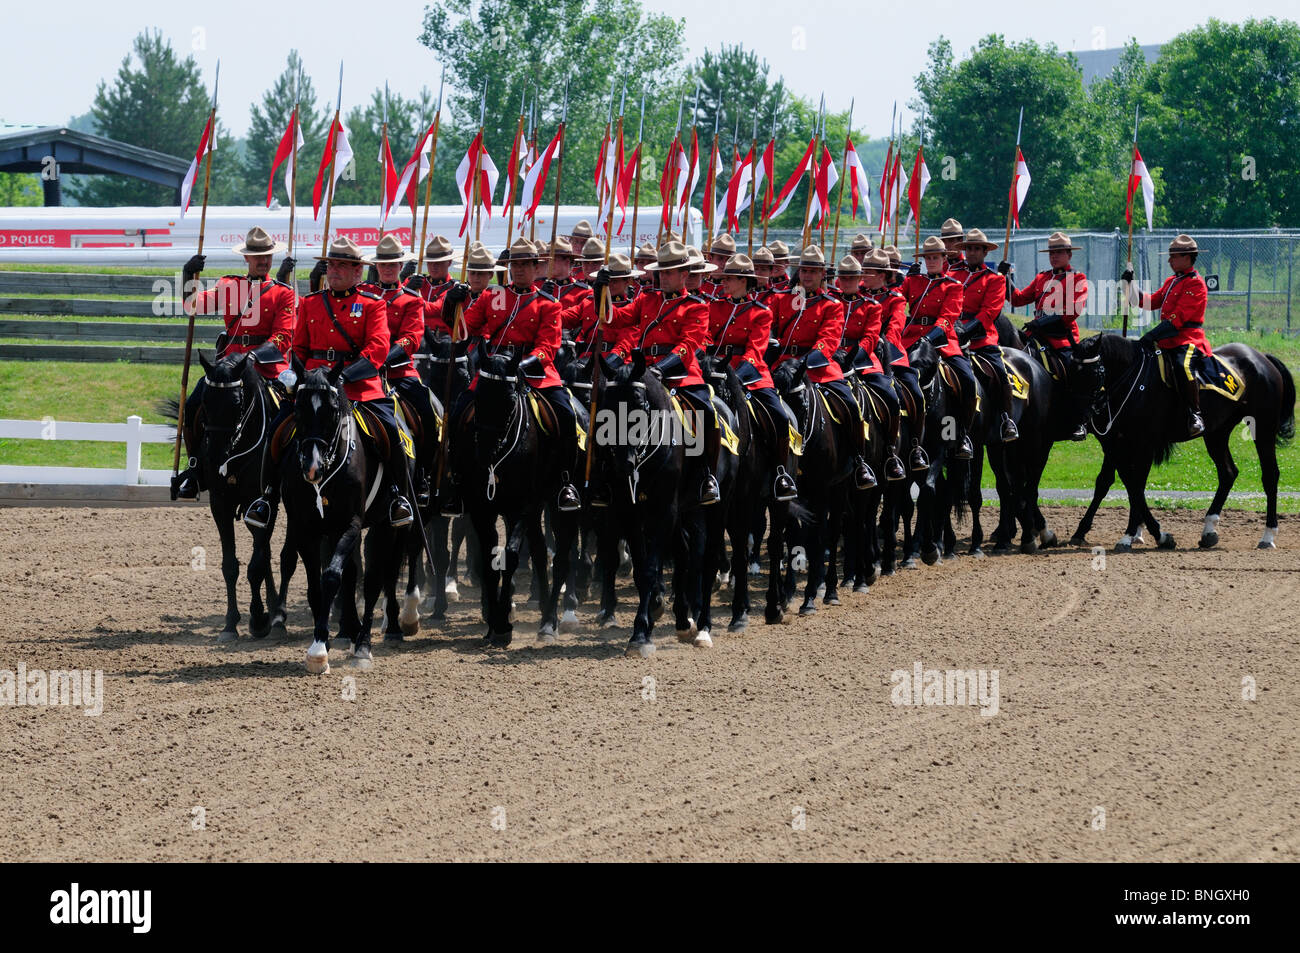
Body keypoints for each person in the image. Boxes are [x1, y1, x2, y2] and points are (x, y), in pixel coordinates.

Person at [245, 236, 414, 530]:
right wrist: (297, 375)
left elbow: (376, 349)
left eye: (342, 266)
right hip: (314, 385)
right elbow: (298, 348)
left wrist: (343, 377)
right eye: (332, 264)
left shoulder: (372, 305)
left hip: (358, 385)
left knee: (391, 430)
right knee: (278, 428)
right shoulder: (310, 303)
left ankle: (399, 496)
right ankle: (268, 497)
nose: (334, 270)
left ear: (358, 272)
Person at [440, 237, 582, 515]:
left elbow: (548, 347)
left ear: (535, 266)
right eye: (514, 265)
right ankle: (457, 483)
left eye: (524, 265)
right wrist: (451, 306)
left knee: (566, 415)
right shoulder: (493, 297)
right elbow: (463, 330)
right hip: (493, 372)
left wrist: (522, 365)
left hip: (534, 373)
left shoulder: (548, 303)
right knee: (457, 415)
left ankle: (565, 482)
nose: (518, 270)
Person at [171, 225, 297, 500]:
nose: (263, 261)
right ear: (246, 259)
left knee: (292, 413)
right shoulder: (229, 285)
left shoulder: (283, 293)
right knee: (193, 405)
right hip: (228, 369)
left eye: (267, 256)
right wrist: (186, 275)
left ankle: (293, 472)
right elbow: (194, 305)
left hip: (266, 368)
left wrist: (251, 358)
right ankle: (194, 469)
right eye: (257, 256)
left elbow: (283, 337)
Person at [605, 240, 721, 504]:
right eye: (661, 271)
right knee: (609, 407)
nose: (663, 277)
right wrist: (601, 292)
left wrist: (660, 369)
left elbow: (687, 346)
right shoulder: (647, 299)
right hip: (643, 373)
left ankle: (707, 476)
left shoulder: (696, 306)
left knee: (706, 412)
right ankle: (605, 475)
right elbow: (617, 318)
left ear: (684, 275)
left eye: (669, 272)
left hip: (680, 375)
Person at [767, 245, 876, 489]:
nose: (806, 275)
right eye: (803, 270)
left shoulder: (831, 305)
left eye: (812, 271)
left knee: (850, 404)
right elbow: (769, 329)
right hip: (783, 366)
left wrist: (807, 362)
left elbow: (829, 339)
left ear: (822, 274)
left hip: (817, 368)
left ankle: (859, 461)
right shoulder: (781, 299)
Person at [706, 254, 799, 499]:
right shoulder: (714, 306)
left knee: (779, 416)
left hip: (750, 375)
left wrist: (735, 376)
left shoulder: (761, 312)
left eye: (730, 278)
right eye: (723, 277)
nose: (723, 281)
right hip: (715, 370)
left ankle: (780, 472)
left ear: (745, 281)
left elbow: (756, 350)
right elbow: (706, 338)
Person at [361, 234, 441, 506]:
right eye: (383, 263)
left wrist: (383, 359)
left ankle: (422, 476)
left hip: (398, 371)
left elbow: (410, 339)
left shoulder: (411, 300)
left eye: (393, 263)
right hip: (364, 372)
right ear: (376, 266)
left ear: (400, 266)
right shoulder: (362, 294)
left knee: (429, 414)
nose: (388, 268)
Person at [1000, 230, 1089, 439]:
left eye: (1058, 252)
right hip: (1036, 336)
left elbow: (1071, 311)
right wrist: (1005, 278)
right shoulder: (1043, 277)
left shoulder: (1077, 278)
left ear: (1069, 254)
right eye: (1051, 252)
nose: (1054, 256)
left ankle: (1078, 421)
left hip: (1060, 338)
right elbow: (1018, 299)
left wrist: (1042, 322)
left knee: (1072, 371)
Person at [1124, 233, 1210, 437]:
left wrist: (1151, 336)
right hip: (1167, 340)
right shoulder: (1172, 281)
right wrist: (1130, 284)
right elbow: (1148, 302)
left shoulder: (1195, 283)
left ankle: (1195, 414)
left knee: (1182, 366)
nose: (1169, 260)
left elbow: (1178, 319)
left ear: (1187, 258)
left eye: (1174, 256)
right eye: (1170, 256)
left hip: (1188, 339)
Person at [902, 235, 977, 459]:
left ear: (945, 258)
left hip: (942, 342)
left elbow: (947, 317)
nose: (932, 261)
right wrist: (904, 279)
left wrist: (930, 339)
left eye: (936, 257)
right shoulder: (914, 281)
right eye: (928, 257)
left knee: (967, 379)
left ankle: (961, 433)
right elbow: (896, 299)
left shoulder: (953, 286)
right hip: (910, 339)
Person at [834, 255, 906, 481]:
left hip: (863, 360)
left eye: (855, 276)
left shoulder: (876, 305)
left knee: (891, 396)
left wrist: (855, 357)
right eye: (843, 277)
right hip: (832, 359)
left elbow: (872, 336)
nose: (851, 281)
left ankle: (891, 452)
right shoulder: (833, 301)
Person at [862, 248, 928, 471]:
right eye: (864, 270)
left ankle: (914, 447)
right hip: (860, 357)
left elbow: (895, 328)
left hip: (890, 356)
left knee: (915, 395)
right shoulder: (857, 296)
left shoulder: (895, 299)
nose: (865, 275)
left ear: (882, 275)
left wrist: (883, 346)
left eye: (869, 271)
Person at [954, 228, 1018, 442]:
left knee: (999, 372)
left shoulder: (994, 279)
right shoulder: (952, 275)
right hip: (951, 336)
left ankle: (1006, 418)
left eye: (977, 249)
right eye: (969, 248)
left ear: (984, 253)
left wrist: (967, 330)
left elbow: (989, 313)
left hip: (981, 338)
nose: (972, 253)